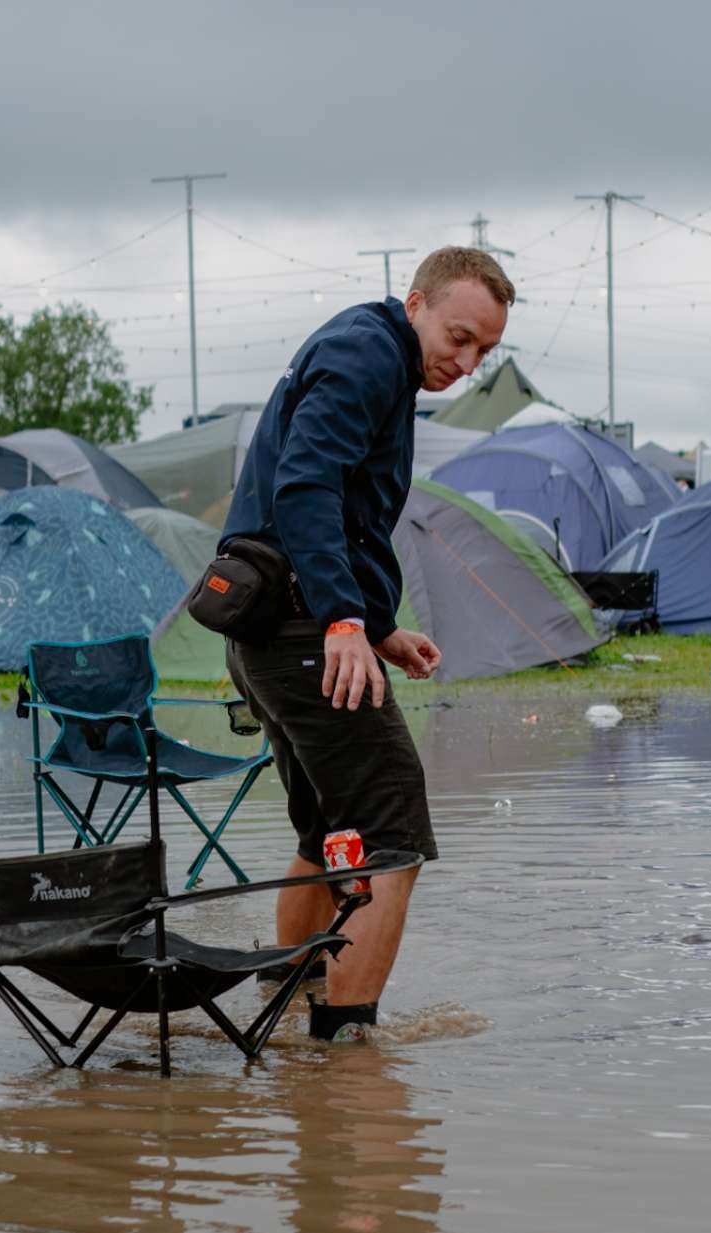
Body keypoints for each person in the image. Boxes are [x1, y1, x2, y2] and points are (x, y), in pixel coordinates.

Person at [219, 246, 509, 1040]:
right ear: (415, 302)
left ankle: (281, 1013)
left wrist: (376, 627)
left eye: (485, 350)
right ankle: (345, 1056)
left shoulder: (380, 358)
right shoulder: (366, 354)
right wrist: (344, 618)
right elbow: (305, 485)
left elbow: (340, 511)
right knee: (391, 832)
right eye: (458, 337)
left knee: (324, 826)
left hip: (268, 629)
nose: (468, 362)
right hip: (298, 628)